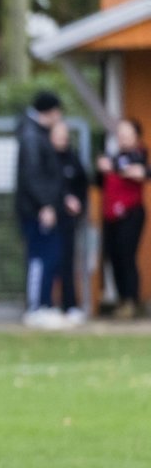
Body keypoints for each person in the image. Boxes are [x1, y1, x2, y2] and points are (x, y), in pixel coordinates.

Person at [14, 91, 67, 328]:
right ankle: (36, 307)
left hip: (44, 207)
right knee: (39, 257)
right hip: (36, 210)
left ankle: (45, 305)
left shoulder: (37, 134)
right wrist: (45, 204)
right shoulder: (32, 136)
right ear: (51, 111)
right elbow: (32, 175)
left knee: (50, 255)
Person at [96, 117, 147, 319]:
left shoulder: (139, 154)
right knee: (113, 257)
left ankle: (131, 300)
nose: (123, 137)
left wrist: (112, 166)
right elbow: (100, 181)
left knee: (127, 257)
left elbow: (137, 169)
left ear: (136, 136)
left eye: (127, 133)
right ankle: (121, 299)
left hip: (130, 214)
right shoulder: (115, 157)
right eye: (120, 134)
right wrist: (102, 169)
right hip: (110, 216)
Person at [51, 120, 89, 325]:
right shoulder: (47, 158)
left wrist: (78, 203)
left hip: (68, 221)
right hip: (50, 219)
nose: (62, 139)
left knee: (68, 262)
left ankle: (70, 304)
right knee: (50, 263)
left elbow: (82, 184)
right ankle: (46, 305)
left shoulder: (72, 158)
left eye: (64, 135)